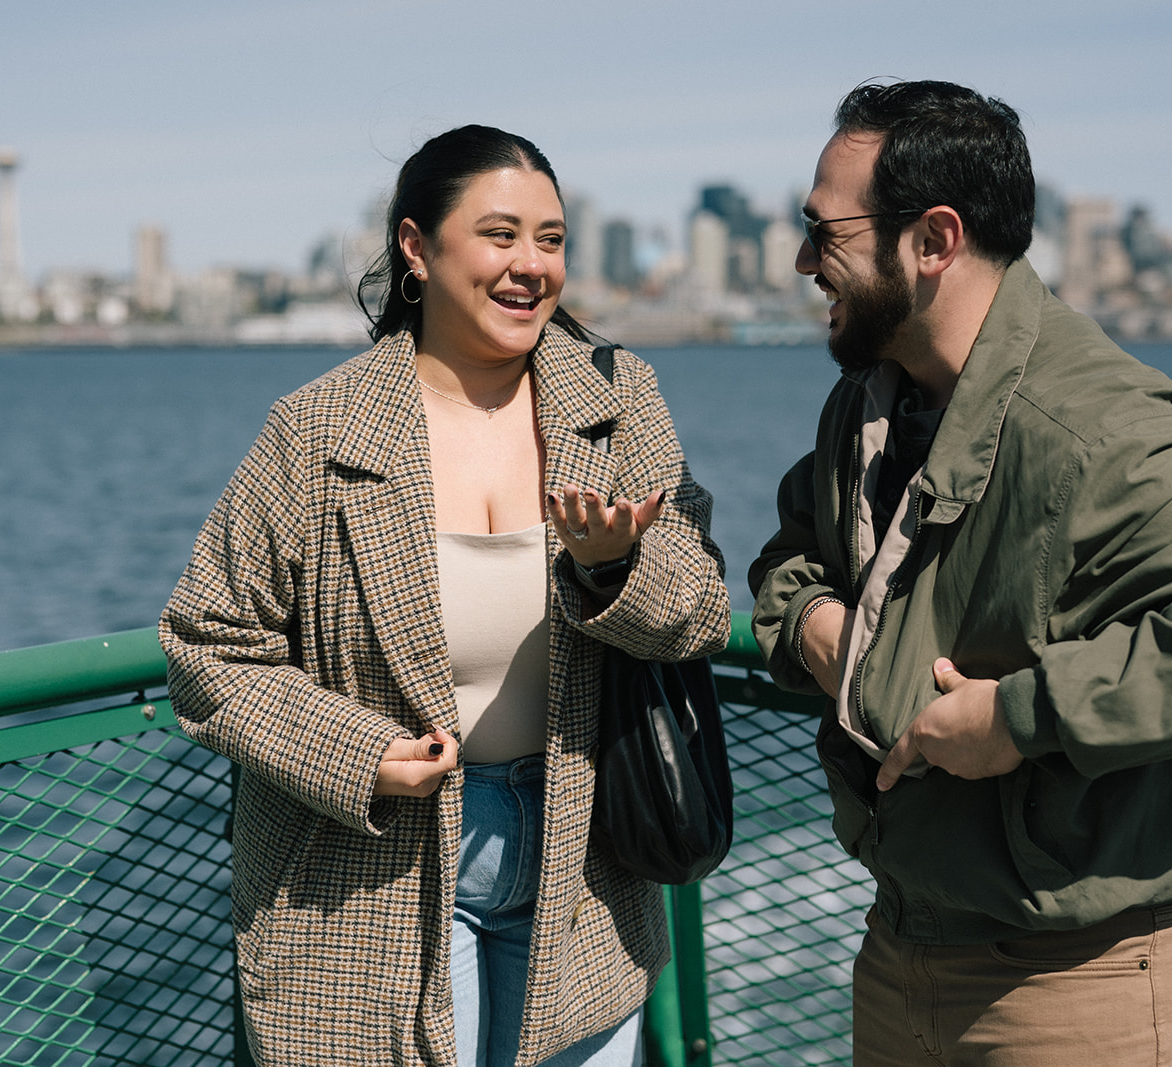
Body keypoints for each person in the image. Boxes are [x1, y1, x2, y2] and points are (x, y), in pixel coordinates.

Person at [748, 81, 1172, 1066]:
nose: (806, 260)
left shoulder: (1099, 427)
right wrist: (818, 624)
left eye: (825, 231)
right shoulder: (868, 405)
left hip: (1083, 983)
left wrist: (1016, 719)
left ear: (933, 240)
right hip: (900, 943)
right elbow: (794, 556)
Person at [161, 124, 729, 1067]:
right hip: (368, 870)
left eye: (551, 240)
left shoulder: (618, 395)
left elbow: (702, 608)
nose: (531, 266)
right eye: (501, 234)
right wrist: (363, 753)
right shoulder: (314, 430)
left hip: (583, 858)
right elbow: (207, 646)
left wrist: (611, 569)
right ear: (418, 250)